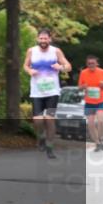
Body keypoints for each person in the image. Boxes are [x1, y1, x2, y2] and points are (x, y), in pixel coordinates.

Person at [24, 28, 72, 159]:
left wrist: (61, 68)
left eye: (45, 38)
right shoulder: (31, 51)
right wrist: (30, 71)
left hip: (52, 91)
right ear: (37, 39)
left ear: (49, 39)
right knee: (38, 120)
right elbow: (25, 65)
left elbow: (68, 66)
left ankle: (50, 148)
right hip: (37, 92)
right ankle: (41, 137)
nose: (43, 41)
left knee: (50, 119)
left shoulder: (56, 51)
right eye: (41, 38)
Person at [76, 54, 103, 152]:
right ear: (86, 64)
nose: (91, 65)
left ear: (97, 63)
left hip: (100, 101)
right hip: (89, 102)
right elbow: (79, 87)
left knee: (100, 121)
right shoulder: (83, 73)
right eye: (89, 63)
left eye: (93, 63)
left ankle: (102, 140)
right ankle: (97, 144)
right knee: (91, 124)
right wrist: (83, 86)